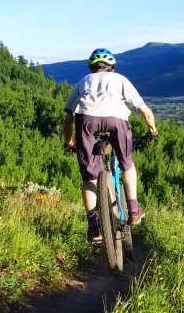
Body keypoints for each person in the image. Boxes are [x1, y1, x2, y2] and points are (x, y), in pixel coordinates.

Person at [62, 48, 158, 241]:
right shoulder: (121, 79)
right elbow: (145, 112)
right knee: (127, 163)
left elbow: (68, 117)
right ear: (112, 68)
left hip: (87, 122)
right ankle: (133, 210)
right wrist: (152, 131)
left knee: (89, 178)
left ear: (91, 68)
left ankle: (93, 227)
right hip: (116, 121)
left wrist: (69, 141)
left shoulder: (83, 81)